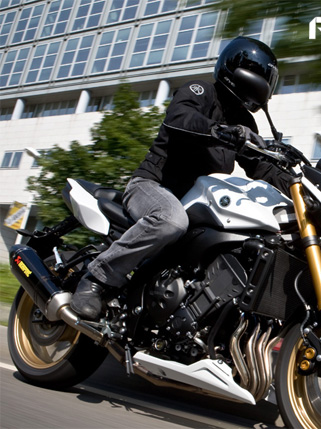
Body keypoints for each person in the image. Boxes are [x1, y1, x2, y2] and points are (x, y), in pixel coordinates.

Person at [71, 36, 291, 320]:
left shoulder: (245, 123)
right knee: (170, 220)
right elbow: (179, 119)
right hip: (152, 186)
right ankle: (96, 278)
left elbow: (261, 166)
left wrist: (299, 187)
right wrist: (221, 131)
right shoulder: (200, 91)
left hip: (193, 204)